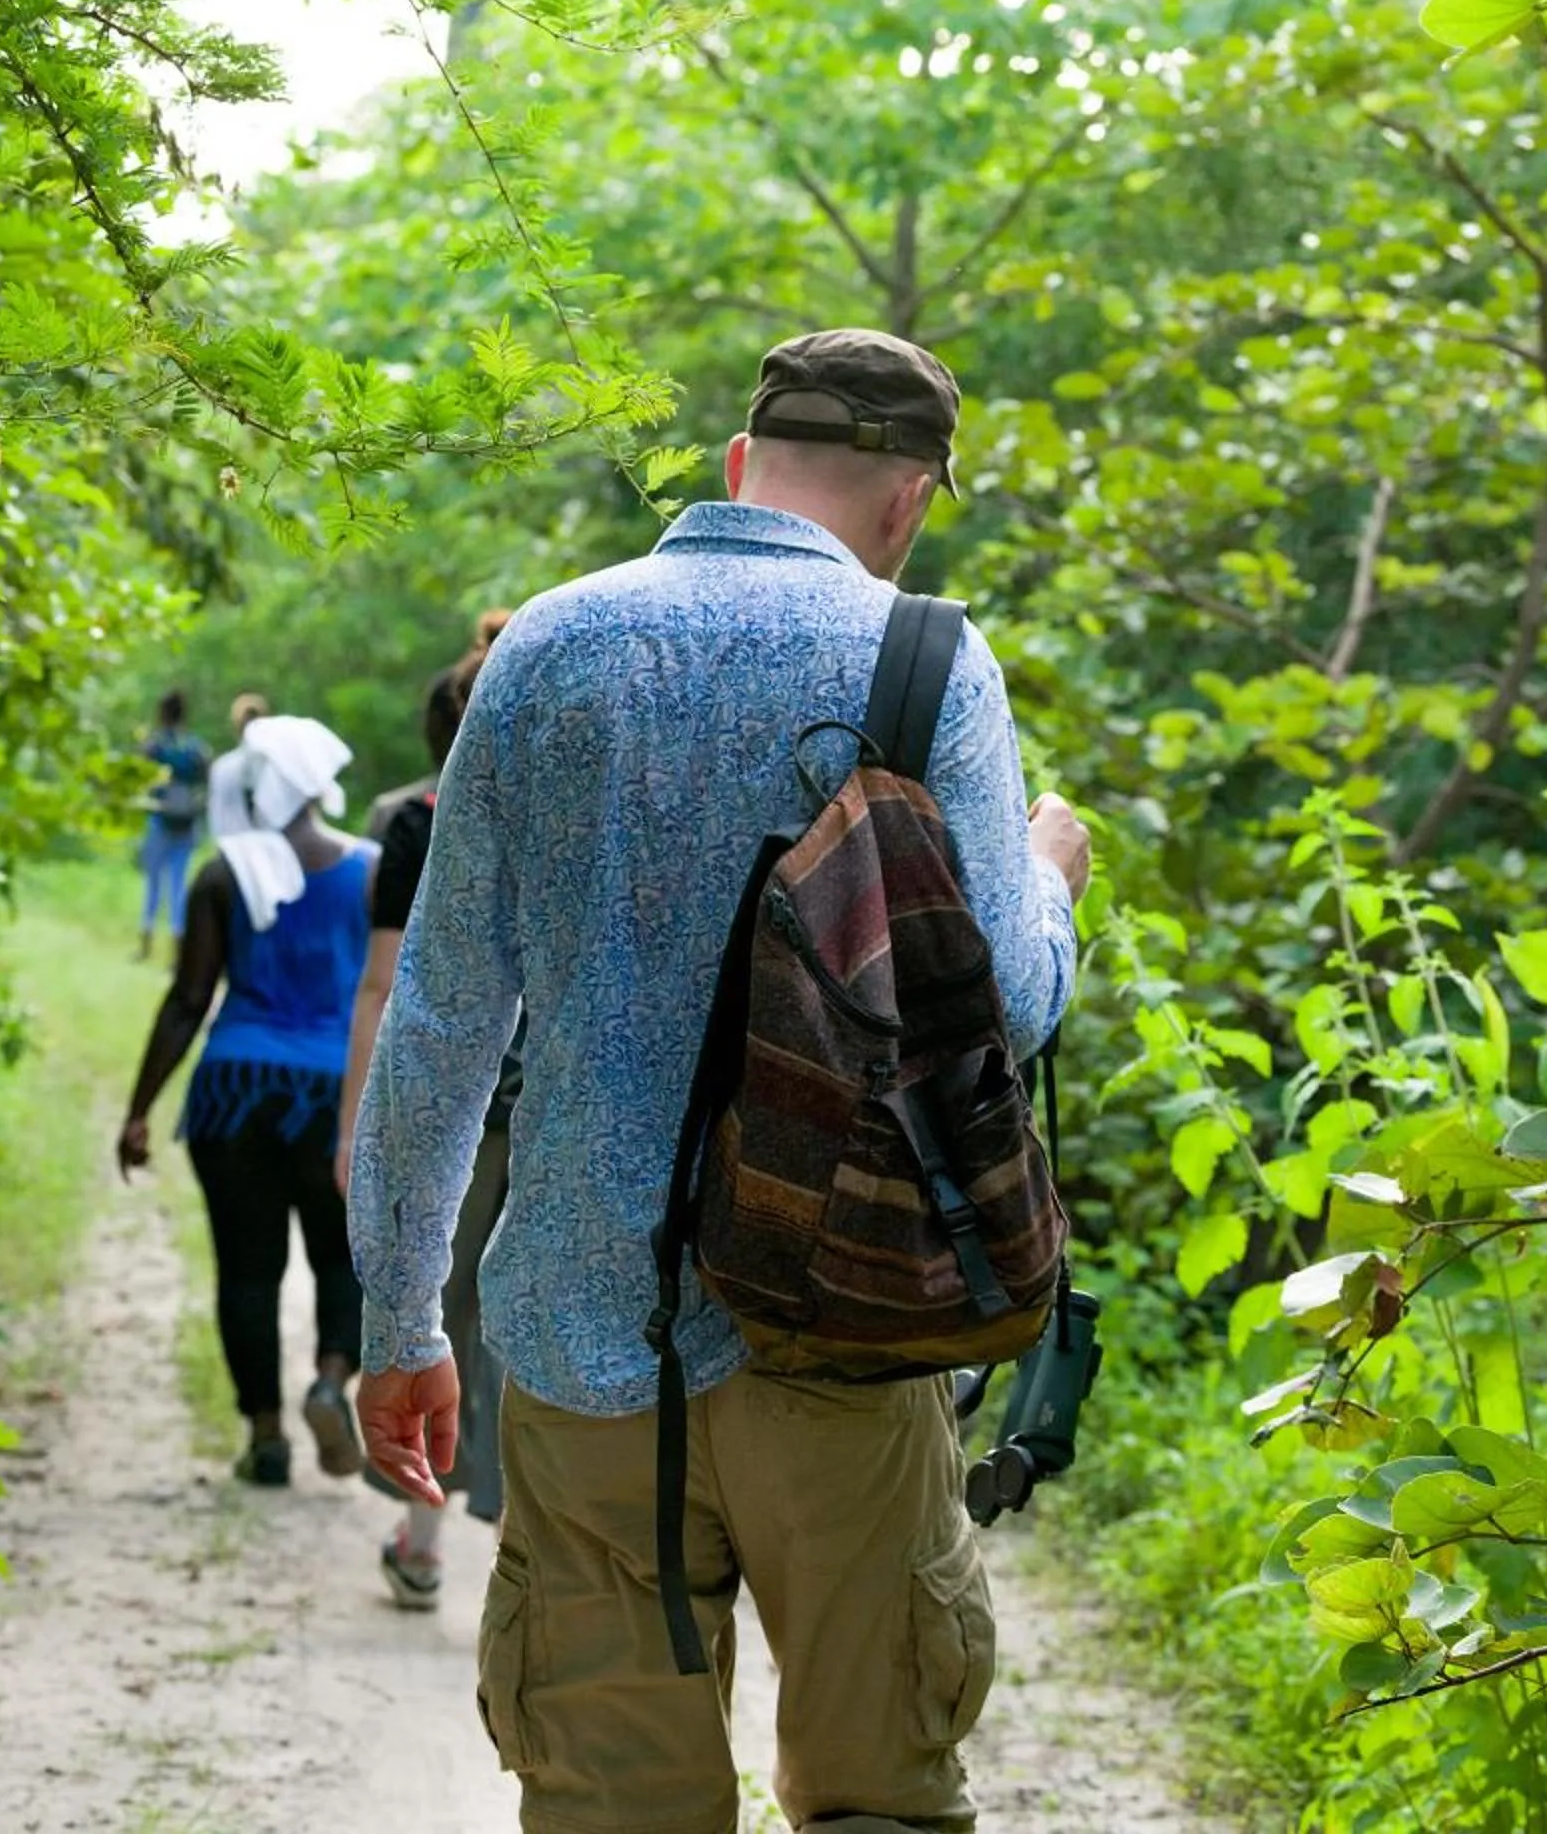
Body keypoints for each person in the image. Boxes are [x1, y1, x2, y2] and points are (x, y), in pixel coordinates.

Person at [347, 330, 1092, 1833]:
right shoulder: (925, 658)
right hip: (846, 1318)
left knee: (609, 1808)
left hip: (583, 1333)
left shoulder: (543, 648)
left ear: (741, 464)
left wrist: (401, 1319)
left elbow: (441, 1020)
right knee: (880, 1797)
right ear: (911, 499)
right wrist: (1051, 883)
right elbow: (1005, 1003)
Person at [121, 713, 376, 1489]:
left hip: (234, 1094)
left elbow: (188, 999)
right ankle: (330, 1383)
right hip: (336, 1094)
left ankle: (265, 1436)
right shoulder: (371, 871)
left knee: (246, 1269)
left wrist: (139, 1109)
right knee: (343, 1257)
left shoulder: (222, 875)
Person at [338, 611, 515, 1612]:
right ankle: (534, 1542)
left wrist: (356, 1129)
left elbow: (386, 988)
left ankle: (423, 1537)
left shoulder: (417, 823)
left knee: (436, 1309)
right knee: (531, 1319)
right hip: (563, 1109)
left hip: (462, 1105)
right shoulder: (598, 809)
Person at [136, 690, 210, 959]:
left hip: (159, 819)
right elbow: (205, 782)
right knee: (179, 887)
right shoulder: (195, 747)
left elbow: (141, 777)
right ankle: (177, 951)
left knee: (153, 885)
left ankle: (145, 946)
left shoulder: (155, 746)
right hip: (187, 822)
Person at [207, 691, 270, 839]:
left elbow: (217, 815)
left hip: (234, 844)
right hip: (269, 844)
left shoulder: (222, 766)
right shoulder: (274, 765)